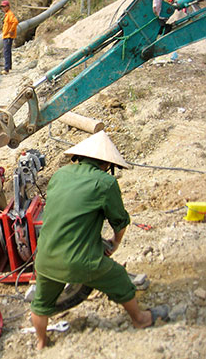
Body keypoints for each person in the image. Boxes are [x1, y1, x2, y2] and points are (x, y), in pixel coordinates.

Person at [30, 131, 169, 349]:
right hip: (80, 261)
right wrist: (114, 243)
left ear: (80, 156)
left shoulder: (60, 174)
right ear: (106, 163)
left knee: (41, 304)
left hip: (45, 257)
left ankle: (41, 343)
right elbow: (120, 222)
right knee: (119, 278)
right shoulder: (105, 182)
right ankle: (141, 319)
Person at [0, 0, 19, 75]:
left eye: (4, 6)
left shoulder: (10, 14)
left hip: (8, 36)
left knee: (6, 52)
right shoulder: (7, 14)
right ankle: (9, 66)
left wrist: (11, 30)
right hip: (6, 36)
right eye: (2, 7)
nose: (3, 8)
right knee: (7, 51)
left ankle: (6, 69)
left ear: (8, 6)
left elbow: (15, 22)